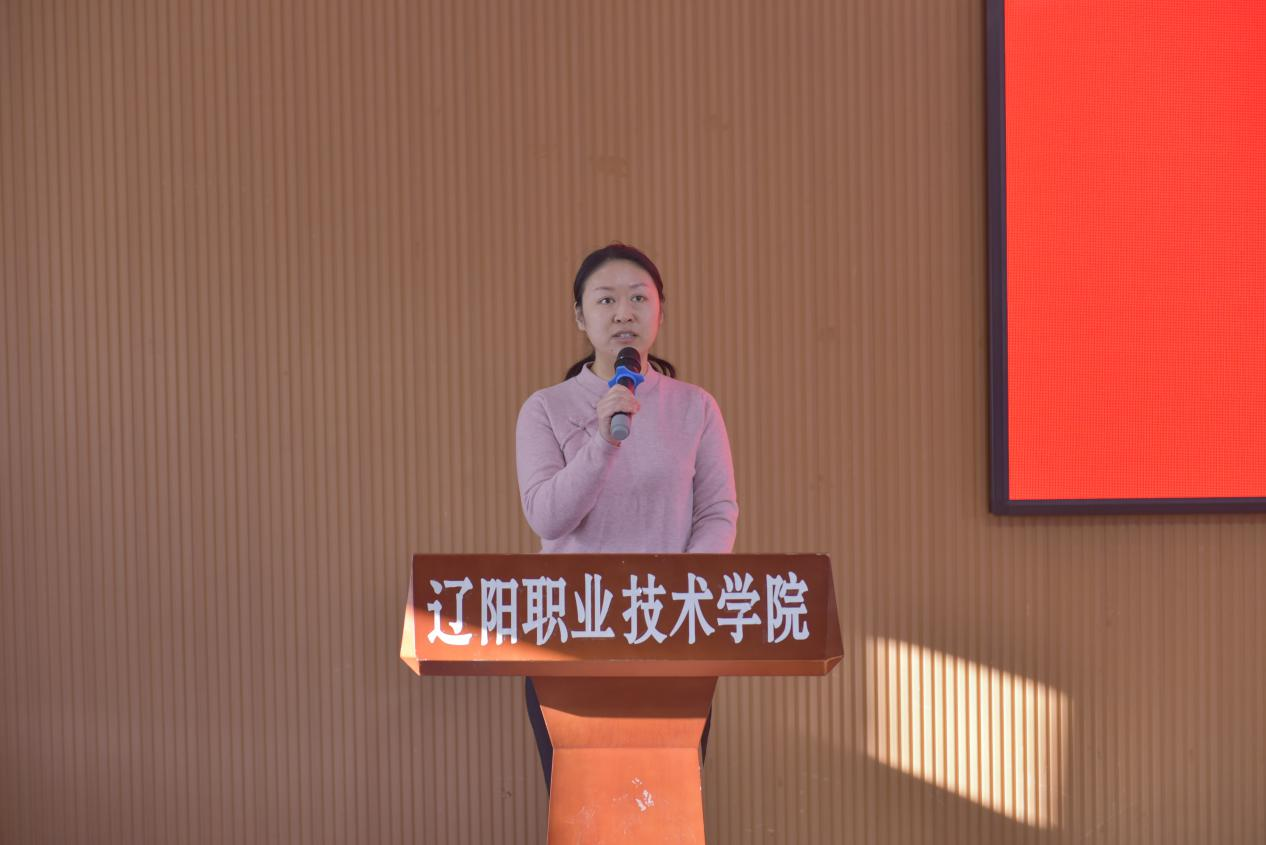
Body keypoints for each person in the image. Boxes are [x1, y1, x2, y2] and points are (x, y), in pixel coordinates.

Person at [514, 242, 739, 789]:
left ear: (660, 311)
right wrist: (603, 441)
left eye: (639, 298)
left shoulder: (695, 406)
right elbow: (548, 516)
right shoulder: (546, 408)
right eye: (606, 300)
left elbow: (717, 512)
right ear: (580, 316)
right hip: (571, 633)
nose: (624, 313)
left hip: (670, 632)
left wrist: (679, 593)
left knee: (664, 803)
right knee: (584, 807)